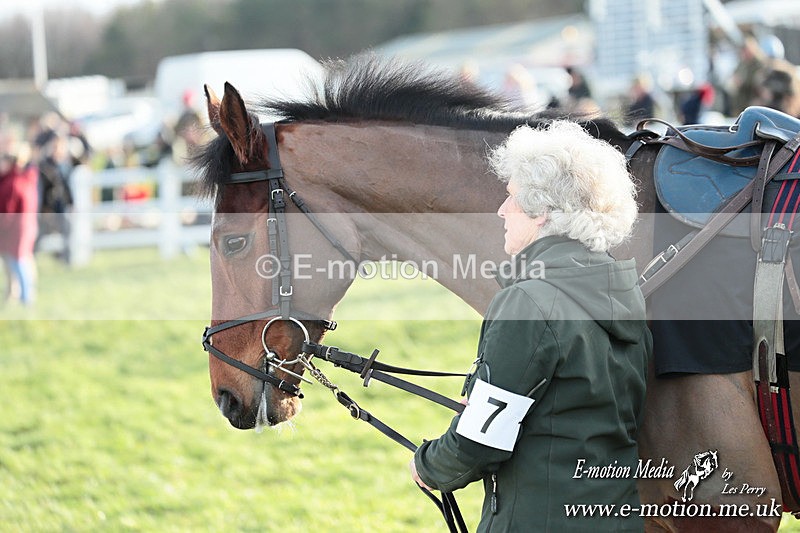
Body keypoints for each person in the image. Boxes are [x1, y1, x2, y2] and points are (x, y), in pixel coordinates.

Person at [409, 120, 651, 531]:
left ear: (542, 212)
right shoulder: (623, 293)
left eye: (512, 199)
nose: (502, 211)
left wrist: (428, 465)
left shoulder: (527, 301)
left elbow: (481, 441)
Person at [0, 133, 38, 305]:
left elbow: (6, 211)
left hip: (15, 230)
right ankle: (24, 297)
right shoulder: (23, 179)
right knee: (21, 261)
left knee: (18, 262)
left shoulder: (13, 183)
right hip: (24, 226)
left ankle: (26, 299)